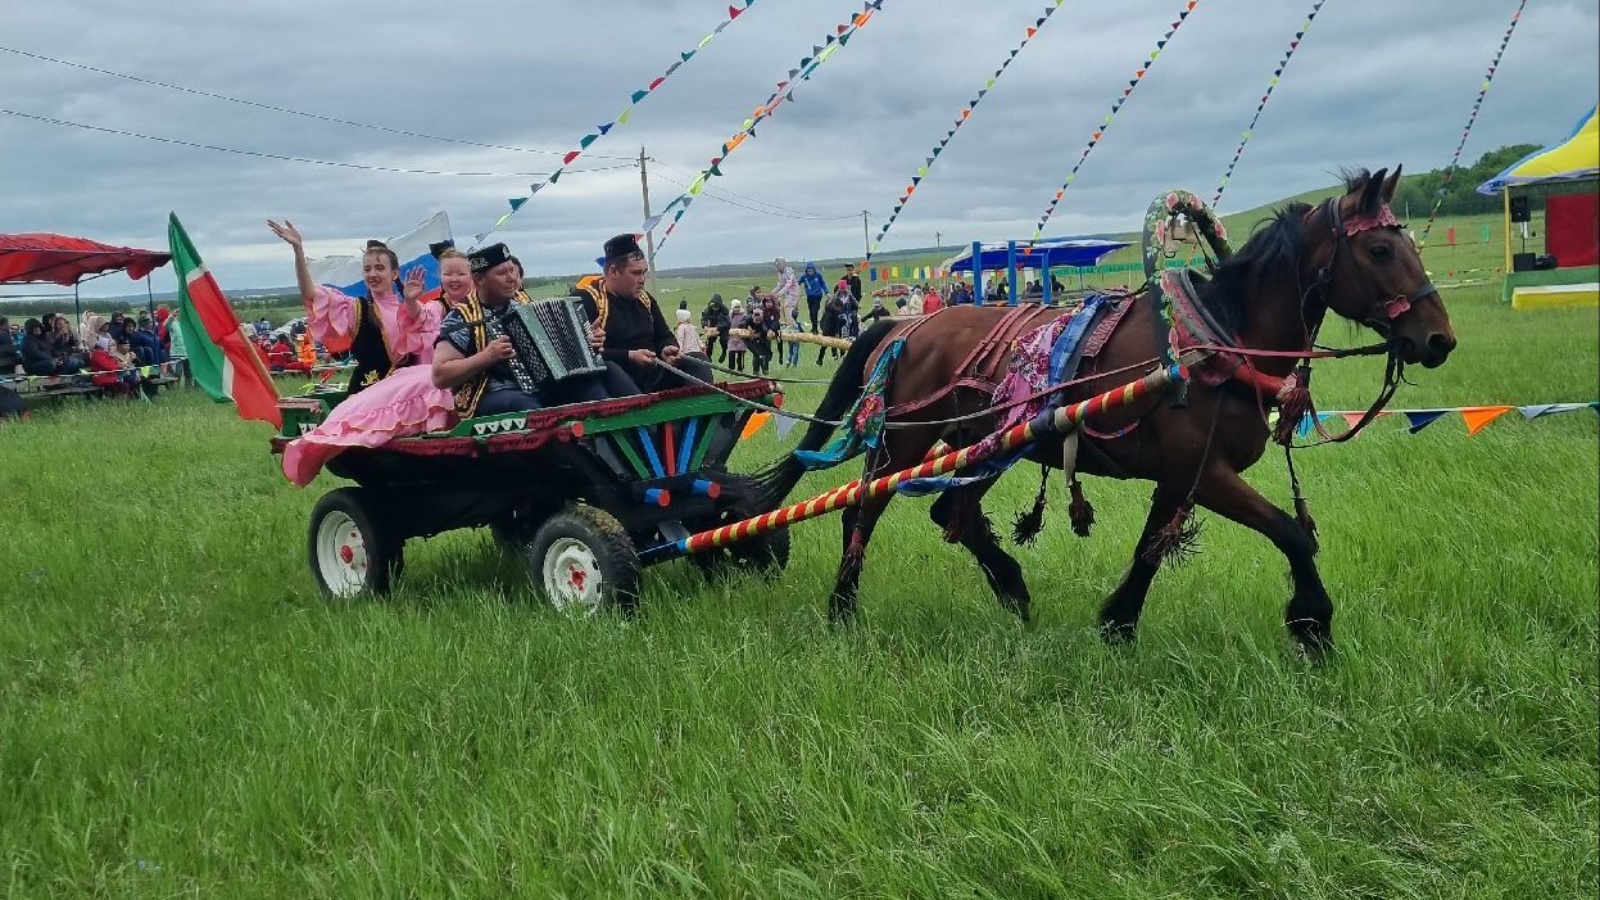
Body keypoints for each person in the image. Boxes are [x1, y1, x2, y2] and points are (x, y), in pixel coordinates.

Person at [433, 242, 631, 418]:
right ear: (479, 279)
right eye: (502, 273)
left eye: (513, 271)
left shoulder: (524, 305)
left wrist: (586, 342)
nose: (512, 278)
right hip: (492, 394)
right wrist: (486, 357)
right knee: (527, 406)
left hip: (540, 386)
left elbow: (557, 350)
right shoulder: (461, 318)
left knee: (606, 371)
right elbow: (440, 376)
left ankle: (630, 431)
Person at [269, 219, 440, 396]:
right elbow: (310, 293)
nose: (372, 274)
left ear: (395, 273)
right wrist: (298, 250)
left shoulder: (411, 309)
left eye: (379, 268)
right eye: (367, 269)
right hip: (367, 394)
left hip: (405, 394)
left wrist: (411, 300)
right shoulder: (354, 308)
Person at [571, 234, 713, 392]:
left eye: (644, 273)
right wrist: (629, 356)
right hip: (613, 382)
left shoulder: (645, 299)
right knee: (611, 370)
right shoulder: (587, 300)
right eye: (636, 273)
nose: (642, 279)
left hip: (652, 376)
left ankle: (701, 415)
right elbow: (581, 357)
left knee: (698, 361)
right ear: (614, 271)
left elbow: (664, 335)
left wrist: (667, 348)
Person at [701, 293, 731, 363]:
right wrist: (705, 325)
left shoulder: (725, 309)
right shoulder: (707, 310)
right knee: (709, 341)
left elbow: (727, 322)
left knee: (724, 341)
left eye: (717, 307)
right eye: (714, 307)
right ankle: (708, 357)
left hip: (723, 328)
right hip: (711, 327)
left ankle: (724, 352)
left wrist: (718, 327)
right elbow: (704, 319)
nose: (715, 308)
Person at [800, 262, 828, 334]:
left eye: (811, 271)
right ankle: (813, 328)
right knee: (811, 313)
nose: (810, 272)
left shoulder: (818, 276)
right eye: (809, 271)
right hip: (810, 297)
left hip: (817, 296)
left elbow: (823, 284)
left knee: (814, 312)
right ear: (806, 271)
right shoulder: (804, 277)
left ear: (814, 270)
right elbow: (797, 283)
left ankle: (815, 329)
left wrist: (826, 292)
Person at [726, 299, 748, 373]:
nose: (737, 309)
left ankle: (740, 368)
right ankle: (731, 368)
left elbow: (745, 324)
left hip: (740, 336)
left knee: (740, 353)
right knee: (731, 352)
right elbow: (727, 325)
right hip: (732, 336)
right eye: (735, 307)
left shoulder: (744, 315)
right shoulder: (729, 315)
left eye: (738, 307)